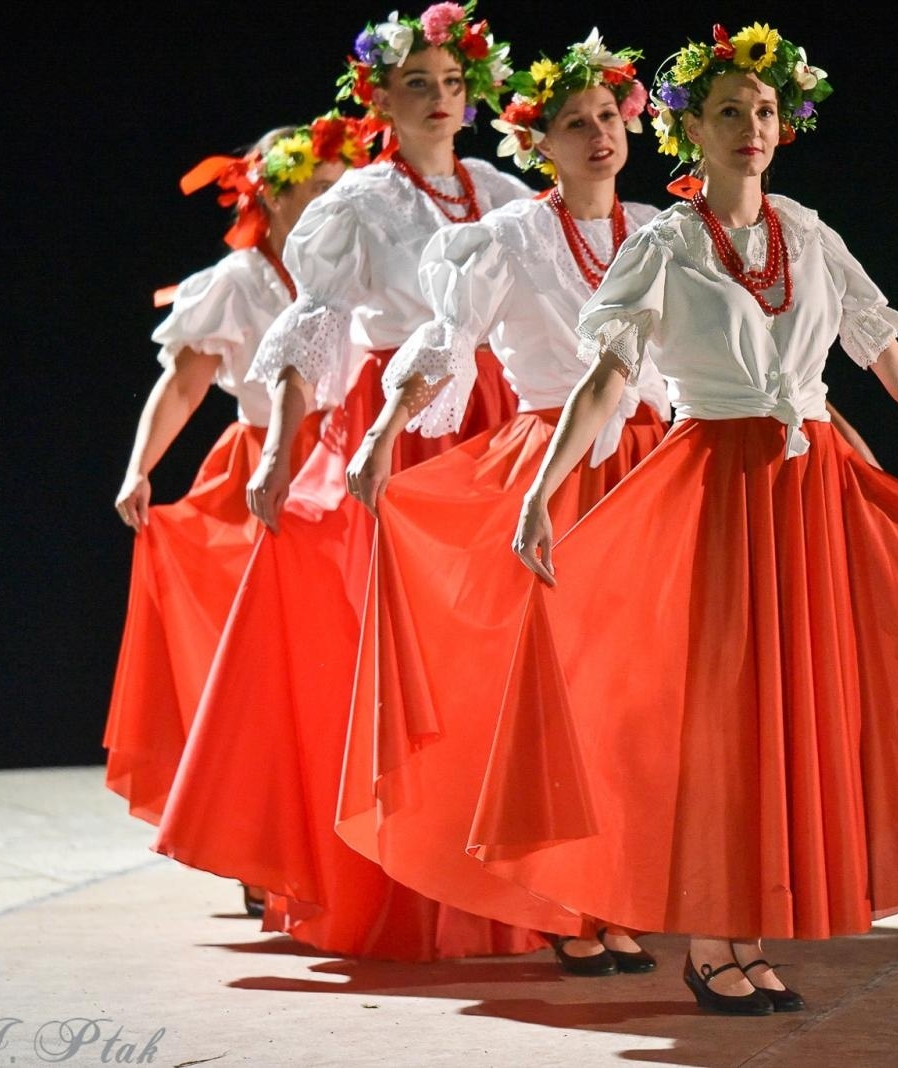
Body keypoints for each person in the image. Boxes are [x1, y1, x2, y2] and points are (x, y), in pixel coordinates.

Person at [473, 23, 898, 1013]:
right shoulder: (664, 244)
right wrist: (539, 491)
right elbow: (609, 376)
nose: (752, 127)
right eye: (730, 112)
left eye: (765, 111)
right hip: (712, 485)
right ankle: (713, 936)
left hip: (805, 486)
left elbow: (889, 362)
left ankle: (746, 928)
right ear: (689, 131)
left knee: (795, 708)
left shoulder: (810, 234)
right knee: (719, 715)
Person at [153, 3, 545, 962]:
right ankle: (400, 883)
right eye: (420, 85)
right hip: (396, 420)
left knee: (496, 652)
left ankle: (506, 884)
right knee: (403, 654)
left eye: (454, 85)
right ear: (378, 97)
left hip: (490, 414)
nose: (443, 101)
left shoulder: (497, 189)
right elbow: (310, 332)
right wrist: (284, 450)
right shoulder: (356, 203)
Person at [338, 30, 672, 976]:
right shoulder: (508, 237)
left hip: (651, 466)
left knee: (634, 694)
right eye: (575, 124)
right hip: (555, 468)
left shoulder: (658, 228)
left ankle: (625, 887)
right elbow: (449, 339)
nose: (599, 134)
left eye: (609, 116)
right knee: (559, 692)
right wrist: (382, 426)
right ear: (540, 145)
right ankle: (569, 900)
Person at [104, 118, 360, 840]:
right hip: (263, 464)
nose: (331, 205)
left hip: (342, 458)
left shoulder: (352, 268)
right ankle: (260, 831)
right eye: (316, 190)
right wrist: (139, 467)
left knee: (339, 654)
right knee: (264, 663)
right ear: (272, 199)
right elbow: (184, 385)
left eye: (338, 191)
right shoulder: (237, 283)